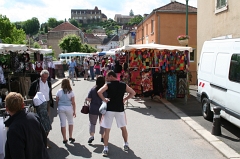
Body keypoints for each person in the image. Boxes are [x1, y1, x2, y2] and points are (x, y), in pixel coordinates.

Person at [97, 70, 136, 156]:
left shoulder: (108, 84)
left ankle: (106, 148)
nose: (107, 78)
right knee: (123, 127)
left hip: (109, 109)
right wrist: (125, 99)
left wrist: (104, 99)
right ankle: (126, 144)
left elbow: (99, 92)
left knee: (107, 129)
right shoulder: (123, 85)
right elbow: (133, 92)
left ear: (111, 76)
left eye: (107, 76)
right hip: (120, 109)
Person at [4, 92, 50, 159]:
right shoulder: (33, 117)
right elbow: (44, 139)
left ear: (6, 108)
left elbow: (17, 155)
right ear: (23, 105)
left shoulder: (13, 129)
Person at [86, 76, 106, 144]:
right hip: (103, 108)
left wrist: (87, 99)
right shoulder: (105, 89)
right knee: (102, 123)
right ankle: (102, 137)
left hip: (93, 109)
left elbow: (89, 99)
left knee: (92, 123)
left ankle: (91, 136)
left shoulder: (93, 89)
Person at [56, 78, 76, 144]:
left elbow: (57, 101)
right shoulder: (71, 92)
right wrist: (74, 111)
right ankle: (70, 136)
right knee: (70, 122)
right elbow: (73, 102)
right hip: (69, 108)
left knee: (63, 123)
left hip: (61, 108)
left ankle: (64, 138)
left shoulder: (59, 91)